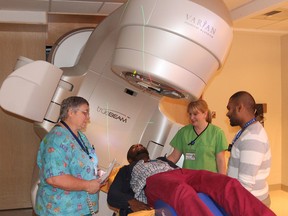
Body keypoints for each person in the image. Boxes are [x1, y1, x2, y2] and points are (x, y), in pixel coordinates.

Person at [108, 144, 276, 216]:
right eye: (134, 148)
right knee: (182, 192)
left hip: (181, 173)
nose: (137, 146)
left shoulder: (161, 159)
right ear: (130, 159)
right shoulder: (126, 170)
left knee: (224, 182)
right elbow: (113, 195)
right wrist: (131, 201)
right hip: (154, 181)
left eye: (139, 145)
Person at [35, 96, 105, 216]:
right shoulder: (57, 139)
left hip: (81, 209)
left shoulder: (81, 137)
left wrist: (97, 173)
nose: (88, 117)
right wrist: (88, 185)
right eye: (85, 112)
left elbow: (84, 161)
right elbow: (55, 178)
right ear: (71, 112)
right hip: (61, 210)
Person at [226, 91, 272, 206]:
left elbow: (245, 185)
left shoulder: (252, 138)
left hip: (251, 203)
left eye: (229, 108)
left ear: (240, 107)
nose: (227, 113)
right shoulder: (247, 131)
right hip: (250, 200)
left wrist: (232, 204)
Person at [167, 99, 228, 174]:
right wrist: (159, 166)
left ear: (205, 114)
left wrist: (222, 181)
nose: (192, 117)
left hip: (208, 180)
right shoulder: (183, 132)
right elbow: (174, 157)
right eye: (190, 114)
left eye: (195, 114)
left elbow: (221, 161)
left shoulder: (217, 133)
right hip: (188, 179)